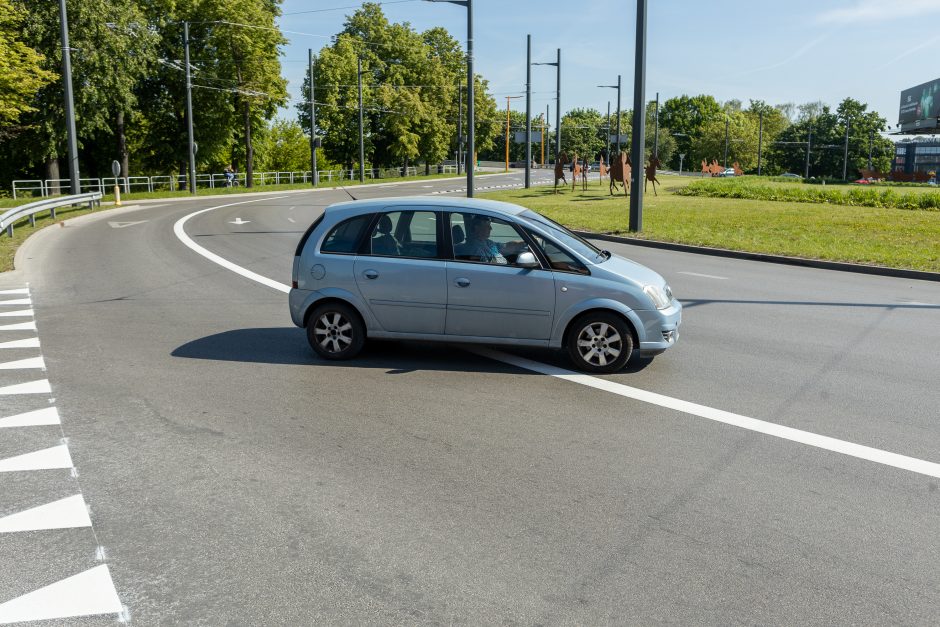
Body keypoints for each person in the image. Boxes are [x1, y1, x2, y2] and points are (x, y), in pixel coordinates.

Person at [458, 216, 525, 264]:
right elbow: (488, 268)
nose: (491, 228)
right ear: (476, 228)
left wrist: (525, 242)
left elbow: (506, 246)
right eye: (487, 225)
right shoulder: (474, 249)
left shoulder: (488, 242)